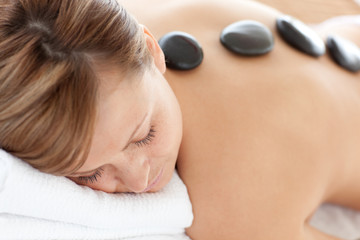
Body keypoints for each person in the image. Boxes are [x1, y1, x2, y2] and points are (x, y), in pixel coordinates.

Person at [0, 0, 359, 239]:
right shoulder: (118, 23)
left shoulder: (233, 195)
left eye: (144, 135)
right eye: (90, 174)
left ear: (152, 49)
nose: (139, 179)